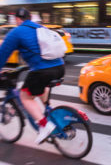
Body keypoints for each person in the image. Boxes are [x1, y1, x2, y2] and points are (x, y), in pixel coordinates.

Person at [0, 8, 65, 144]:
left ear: (17, 19)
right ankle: (50, 111)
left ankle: (44, 126)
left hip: (43, 71)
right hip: (60, 67)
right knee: (40, 86)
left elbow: (3, 54)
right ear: (30, 18)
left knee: (25, 97)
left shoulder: (17, 32)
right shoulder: (41, 28)